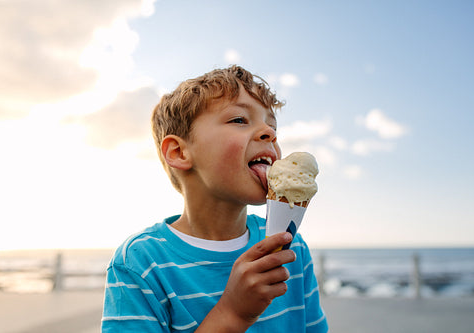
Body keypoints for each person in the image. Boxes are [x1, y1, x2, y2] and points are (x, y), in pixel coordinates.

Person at [102, 65, 329, 332]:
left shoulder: (293, 248)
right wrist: (234, 313)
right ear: (179, 152)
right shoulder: (140, 263)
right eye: (239, 120)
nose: (270, 133)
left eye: (271, 124)